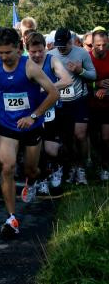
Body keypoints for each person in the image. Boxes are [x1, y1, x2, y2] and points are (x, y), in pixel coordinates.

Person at [0, 28, 58, 238]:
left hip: (31, 126)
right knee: (7, 167)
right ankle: (11, 218)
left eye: (8, 52)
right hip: (7, 125)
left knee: (31, 170)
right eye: (0, 53)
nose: (4, 57)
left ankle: (31, 181)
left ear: (18, 48)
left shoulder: (30, 68)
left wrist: (33, 116)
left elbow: (53, 93)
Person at [24, 32, 72, 194]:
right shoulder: (23, 63)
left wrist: (48, 87)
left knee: (50, 150)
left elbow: (67, 80)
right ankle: (42, 178)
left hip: (51, 110)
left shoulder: (52, 60)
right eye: (33, 52)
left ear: (45, 48)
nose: (37, 55)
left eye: (40, 51)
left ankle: (57, 167)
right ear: (27, 50)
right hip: (31, 112)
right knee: (36, 150)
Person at [49, 28, 96, 185]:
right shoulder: (51, 55)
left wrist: (79, 70)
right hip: (60, 102)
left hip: (79, 100)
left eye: (64, 45)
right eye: (59, 45)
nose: (61, 48)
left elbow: (93, 75)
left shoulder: (82, 53)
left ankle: (81, 168)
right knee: (66, 139)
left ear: (71, 41)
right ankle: (71, 167)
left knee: (80, 135)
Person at [88, 30, 109, 180]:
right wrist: (96, 84)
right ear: (92, 44)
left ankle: (105, 167)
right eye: (98, 45)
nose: (101, 48)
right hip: (89, 104)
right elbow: (79, 81)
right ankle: (92, 164)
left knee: (106, 137)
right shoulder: (86, 58)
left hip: (107, 105)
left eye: (104, 44)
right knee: (93, 137)